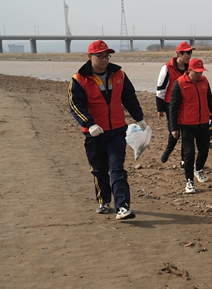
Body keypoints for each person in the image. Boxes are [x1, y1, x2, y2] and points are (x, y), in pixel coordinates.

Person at [68, 40, 146, 220]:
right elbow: (75, 105)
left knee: (117, 168)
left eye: (107, 56)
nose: (104, 59)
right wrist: (89, 124)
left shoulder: (119, 74)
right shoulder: (78, 79)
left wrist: (139, 118)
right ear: (90, 57)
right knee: (99, 169)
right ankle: (104, 200)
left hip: (117, 130)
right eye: (100, 56)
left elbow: (129, 98)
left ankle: (122, 207)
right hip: (94, 133)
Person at [169, 58, 212, 194]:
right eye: (197, 72)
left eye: (201, 72)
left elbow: (210, 101)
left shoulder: (204, 82)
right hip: (186, 124)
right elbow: (173, 107)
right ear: (190, 70)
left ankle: (198, 170)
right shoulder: (180, 83)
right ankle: (189, 181)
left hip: (203, 122)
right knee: (189, 153)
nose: (200, 74)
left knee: (204, 149)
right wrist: (174, 127)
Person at [156, 41, 194, 168]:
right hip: (170, 104)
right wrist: (159, 108)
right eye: (186, 53)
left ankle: (184, 161)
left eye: (190, 53)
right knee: (174, 130)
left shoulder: (190, 69)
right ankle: (168, 150)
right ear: (179, 53)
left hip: (186, 105)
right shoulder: (167, 68)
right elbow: (161, 89)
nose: (189, 55)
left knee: (186, 133)